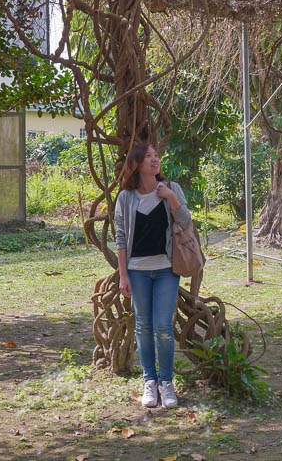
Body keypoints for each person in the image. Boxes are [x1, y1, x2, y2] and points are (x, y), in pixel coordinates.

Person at [114, 143, 191, 408]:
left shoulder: (170, 188)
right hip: (137, 272)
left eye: (157, 155)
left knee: (163, 327)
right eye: (148, 156)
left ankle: (166, 383)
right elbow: (121, 237)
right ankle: (150, 381)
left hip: (166, 270)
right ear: (136, 163)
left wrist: (170, 198)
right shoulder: (125, 197)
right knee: (144, 326)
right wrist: (122, 275)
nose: (155, 159)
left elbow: (186, 222)